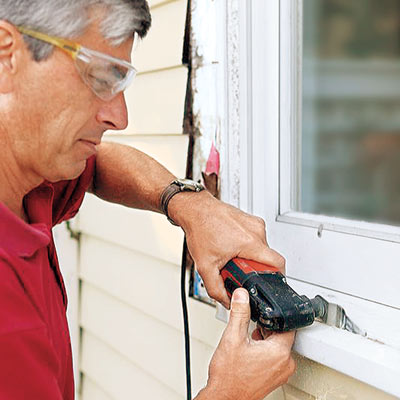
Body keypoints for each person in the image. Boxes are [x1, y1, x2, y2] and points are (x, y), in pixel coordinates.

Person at [0, 0, 296, 399]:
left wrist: (191, 207)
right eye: (101, 76)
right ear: (7, 55)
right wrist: (228, 393)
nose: (119, 117)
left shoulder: (28, 176)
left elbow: (99, 164)